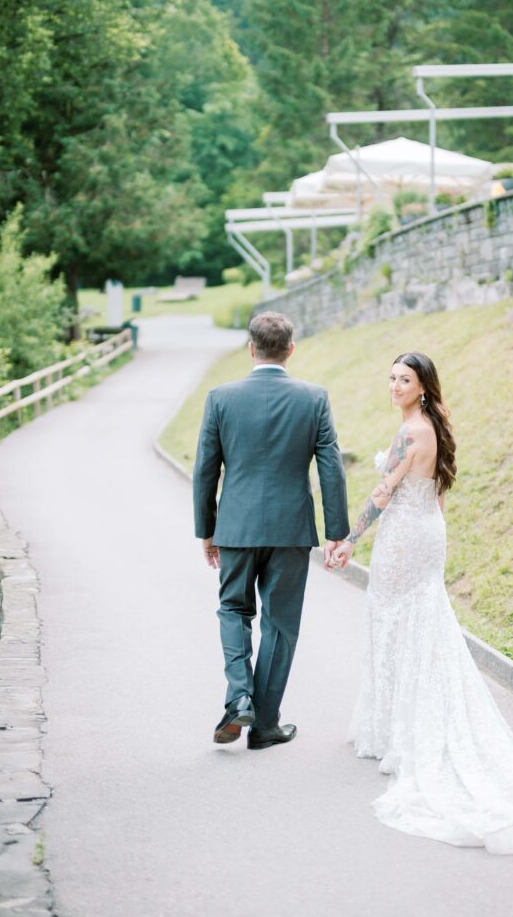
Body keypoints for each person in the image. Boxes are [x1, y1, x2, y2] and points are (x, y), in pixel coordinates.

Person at [329, 352, 513, 856]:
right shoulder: (433, 425)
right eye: (390, 378)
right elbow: (433, 492)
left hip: (405, 537)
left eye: (403, 380)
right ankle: (398, 724)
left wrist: (347, 539)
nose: (393, 386)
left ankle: (398, 732)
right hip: (428, 529)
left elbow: (383, 492)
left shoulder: (411, 433)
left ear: (423, 386)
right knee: (421, 622)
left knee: (394, 622)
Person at [193, 311, 349, 750]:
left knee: (233, 610)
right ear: (291, 349)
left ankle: (238, 696)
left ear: (250, 348)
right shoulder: (313, 398)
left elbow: (206, 469)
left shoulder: (220, 397)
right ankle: (264, 726)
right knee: (279, 625)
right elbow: (331, 467)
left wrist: (207, 529)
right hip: (291, 529)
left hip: (236, 528)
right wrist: (337, 530)